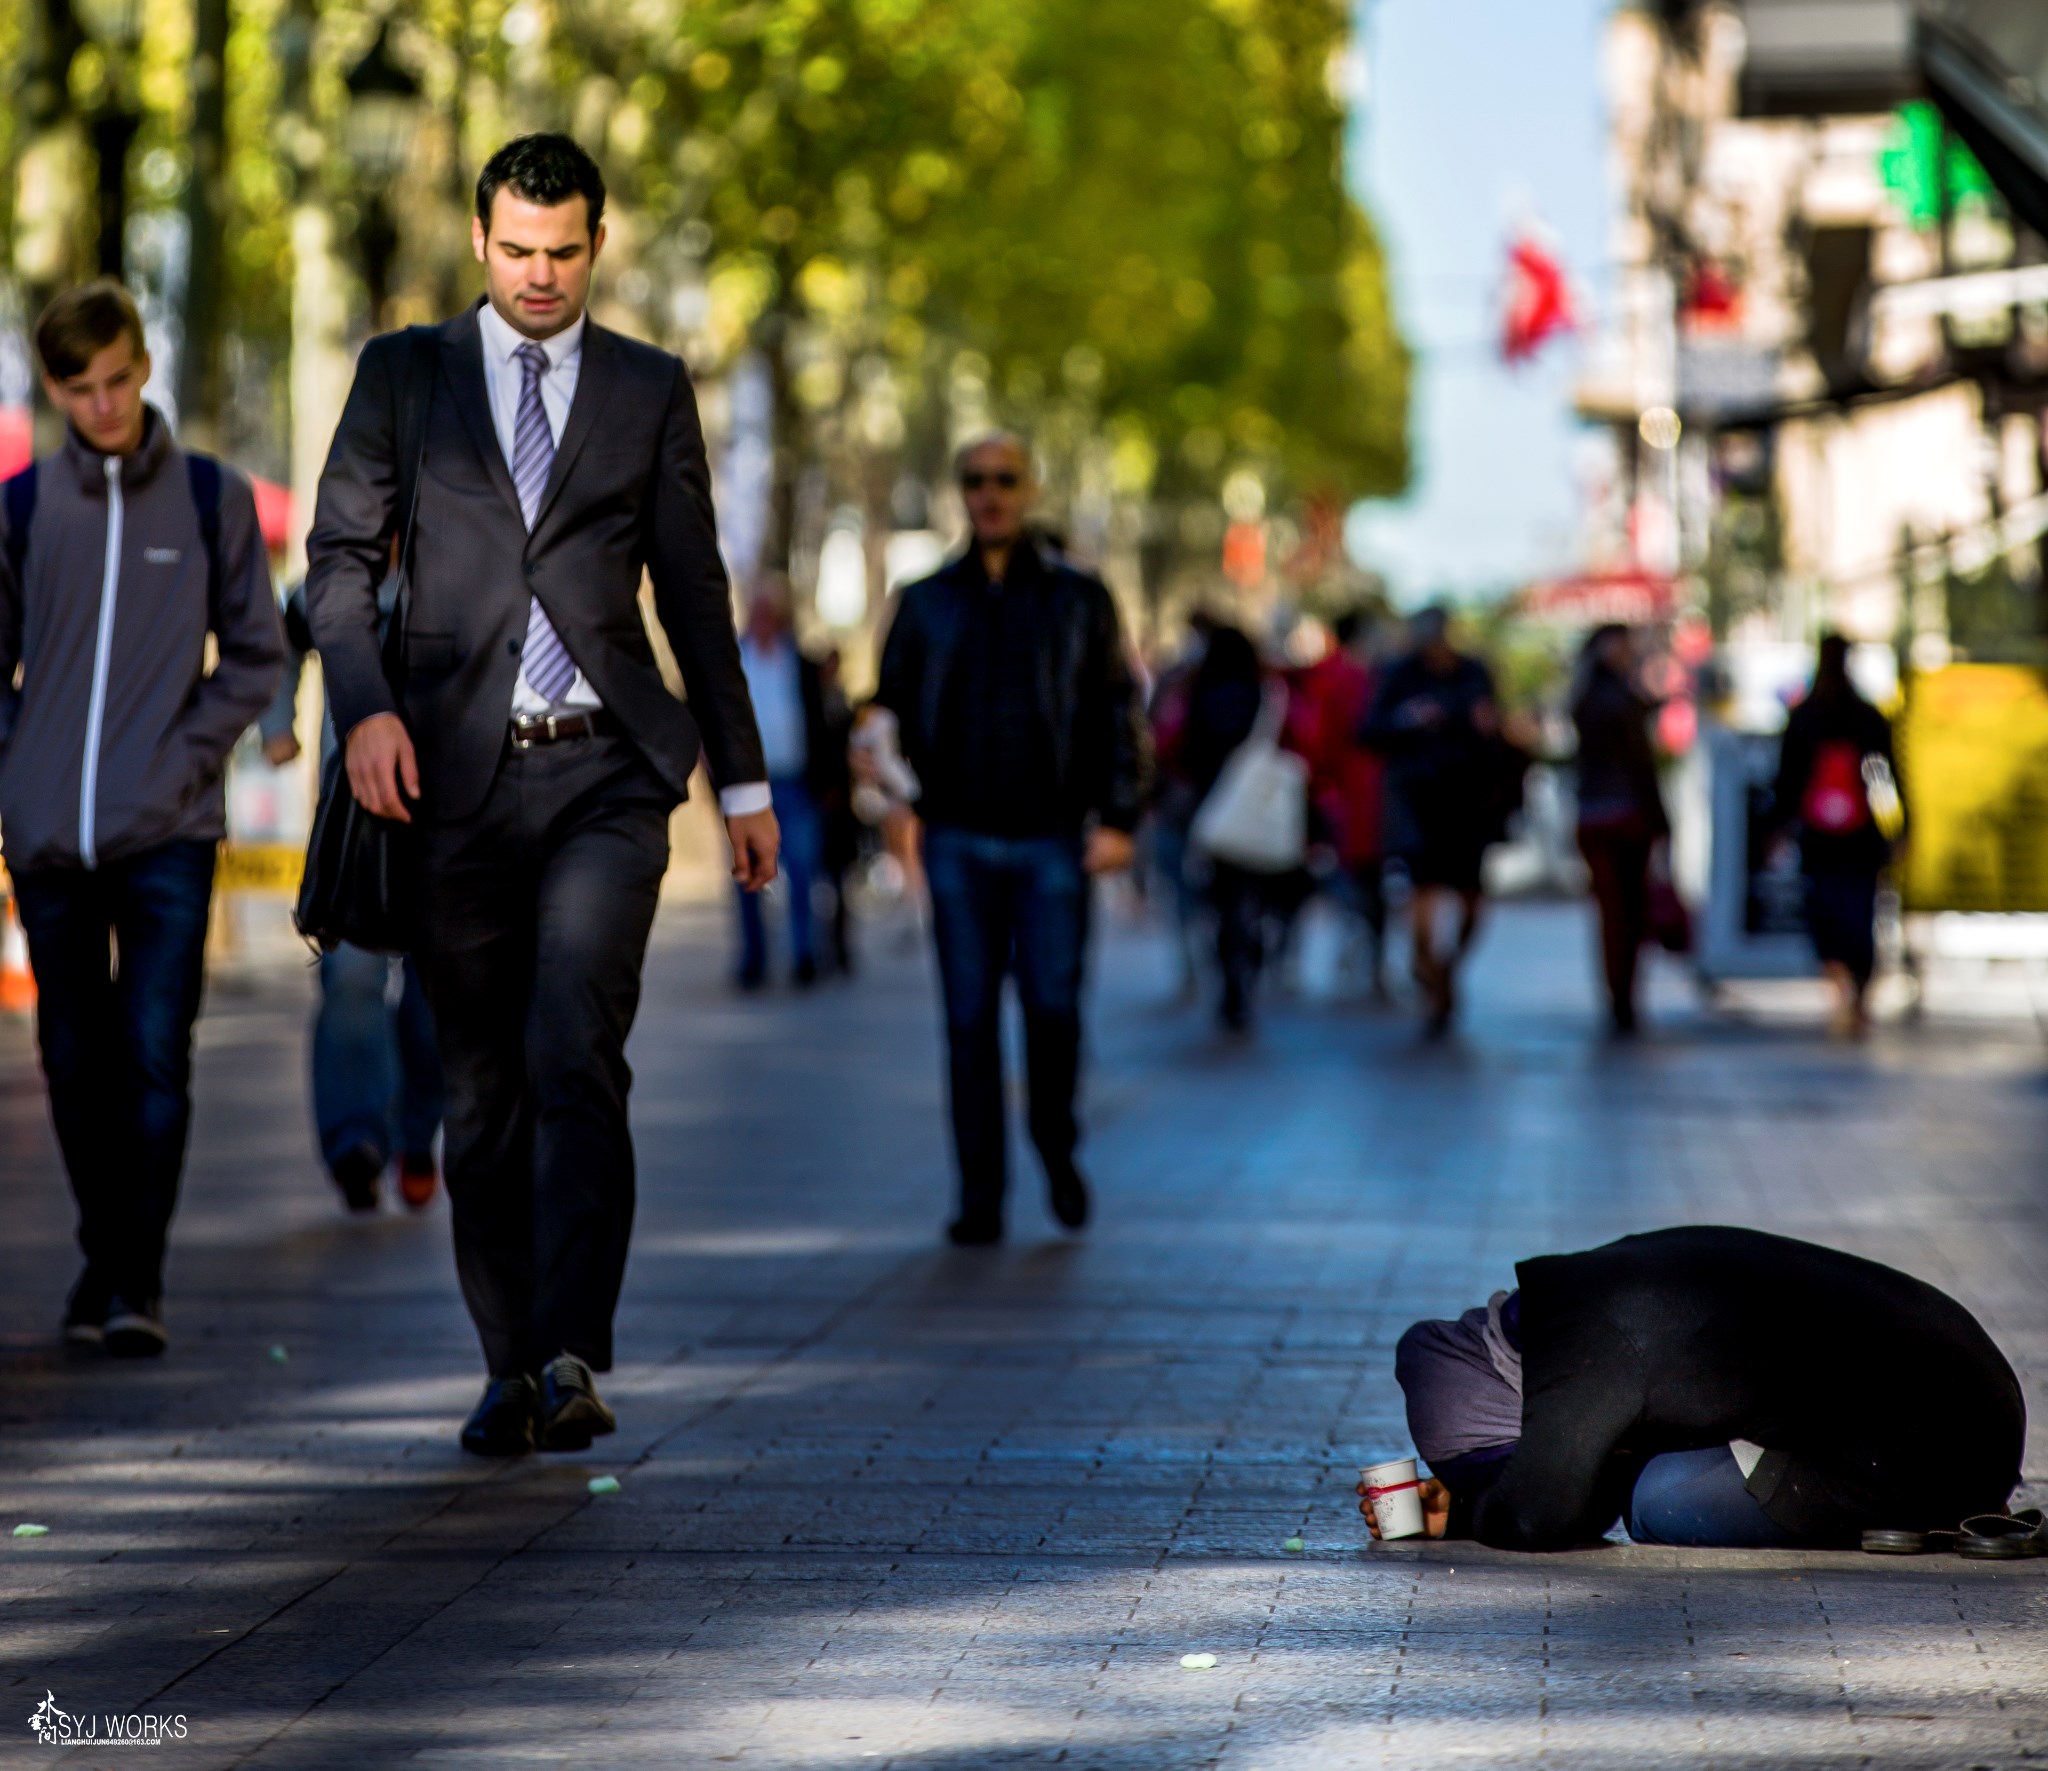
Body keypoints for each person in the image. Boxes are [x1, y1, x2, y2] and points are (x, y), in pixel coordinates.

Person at [305, 135, 776, 1456]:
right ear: (478, 238)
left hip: (605, 774)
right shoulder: (403, 375)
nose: (540, 275)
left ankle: (572, 1348)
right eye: (517, 250)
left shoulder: (647, 389)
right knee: (478, 1086)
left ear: (598, 242)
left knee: (576, 1039)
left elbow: (696, 595)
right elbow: (336, 563)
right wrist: (364, 709)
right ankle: (509, 1360)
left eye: (564, 251)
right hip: (447, 773)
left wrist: (742, 782)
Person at [0, 279, 283, 1356]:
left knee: (157, 1056)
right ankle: (110, 1259)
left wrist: (186, 752)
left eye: (119, 379)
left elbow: (258, 652)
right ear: (58, 389)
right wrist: (17, 766)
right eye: (82, 389)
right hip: (50, 838)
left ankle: (133, 1282)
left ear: (143, 365)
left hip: (168, 831)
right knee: (73, 1062)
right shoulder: (22, 510)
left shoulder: (211, 498)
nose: (105, 404)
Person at [875, 432, 1148, 1246]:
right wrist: (884, 778)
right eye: (974, 481)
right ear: (960, 492)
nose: (988, 493)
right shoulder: (924, 601)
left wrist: (1124, 818)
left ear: (1029, 489)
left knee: (1053, 1010)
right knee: (966, 1021)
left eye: (1004, 479)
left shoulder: (1081, 598)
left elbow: (1117, 714)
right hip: (956, 840)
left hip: (1052, 842)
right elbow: (884, 707)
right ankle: (980, 1196)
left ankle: (1056, 1143)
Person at [1362, 1225, 2024, 1551]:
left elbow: (1544, 1511)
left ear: (1498, 1393)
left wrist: (1472, 1517)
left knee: (1658, 1501)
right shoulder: (1579, 1292)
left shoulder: (1585, 1350)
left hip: (1937, 1448)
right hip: (1971, 1396)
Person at [259, 583, 445, 1213]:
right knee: (351, 982)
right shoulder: (330, 576)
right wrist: (278, 724)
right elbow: (280, 641)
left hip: (449, 813)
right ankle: (355, 1143)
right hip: (354, 819)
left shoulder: (458, 546)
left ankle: (417, 1134)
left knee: (437, 995)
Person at [1361, 605, 1505, 1036]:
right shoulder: (1399, 675)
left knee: (1472, 897)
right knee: (1422, 891)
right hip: (1418, 800)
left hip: (1468, 801)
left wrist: (1489, 730)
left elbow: (1496, 733)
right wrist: (1409, 720)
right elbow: (1369, 730)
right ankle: (1432, 978)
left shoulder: (1474, 672)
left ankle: (1443, 969)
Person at [1774, 634, 1901, 1037]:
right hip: (1857, 833)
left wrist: (1778, 825)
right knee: (1859, 911)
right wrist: (1902, 827)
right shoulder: (1865, 715)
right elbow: (1893, 772)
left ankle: (1841, 982)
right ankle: (1855, 989)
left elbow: (1787, 780)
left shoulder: (1806, 716)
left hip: (1823, 835)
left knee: (1825, 909)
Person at [1166, 623, 1271, 1031]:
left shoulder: (1199, 692)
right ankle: (1249, 961)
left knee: (1220, 901)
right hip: (1256, 811)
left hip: (1212, 812)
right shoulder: (1263, 693)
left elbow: (1179, 745)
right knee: (1251, 900)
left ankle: (1231, 977)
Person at [732, 577, 835, 989]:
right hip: (748, 787)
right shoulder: (735, 661)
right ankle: (753, 958)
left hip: (797, 784)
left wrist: (828, 782)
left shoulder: (801, 663)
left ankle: (804, 953)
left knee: (803, 869)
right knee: (748, 875)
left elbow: (822, 725)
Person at [1285, 609, 1389, 998]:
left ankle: (1354, 947)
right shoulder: (1353, 677)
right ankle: (1362, 947)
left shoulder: (1335, 676)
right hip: (1349, 795)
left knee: (1345, 876)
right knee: (1356, 878)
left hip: (1342, 794)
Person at [1570, 623, 1669, 1036]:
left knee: (1613, 912)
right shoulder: (1617, 700)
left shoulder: (1585, 697)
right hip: (1624, 815)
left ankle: (1619, 995)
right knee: (1625, 911)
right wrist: (1662, 820)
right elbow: (1640, 765)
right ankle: (1623, 997)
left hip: (1597, 814)